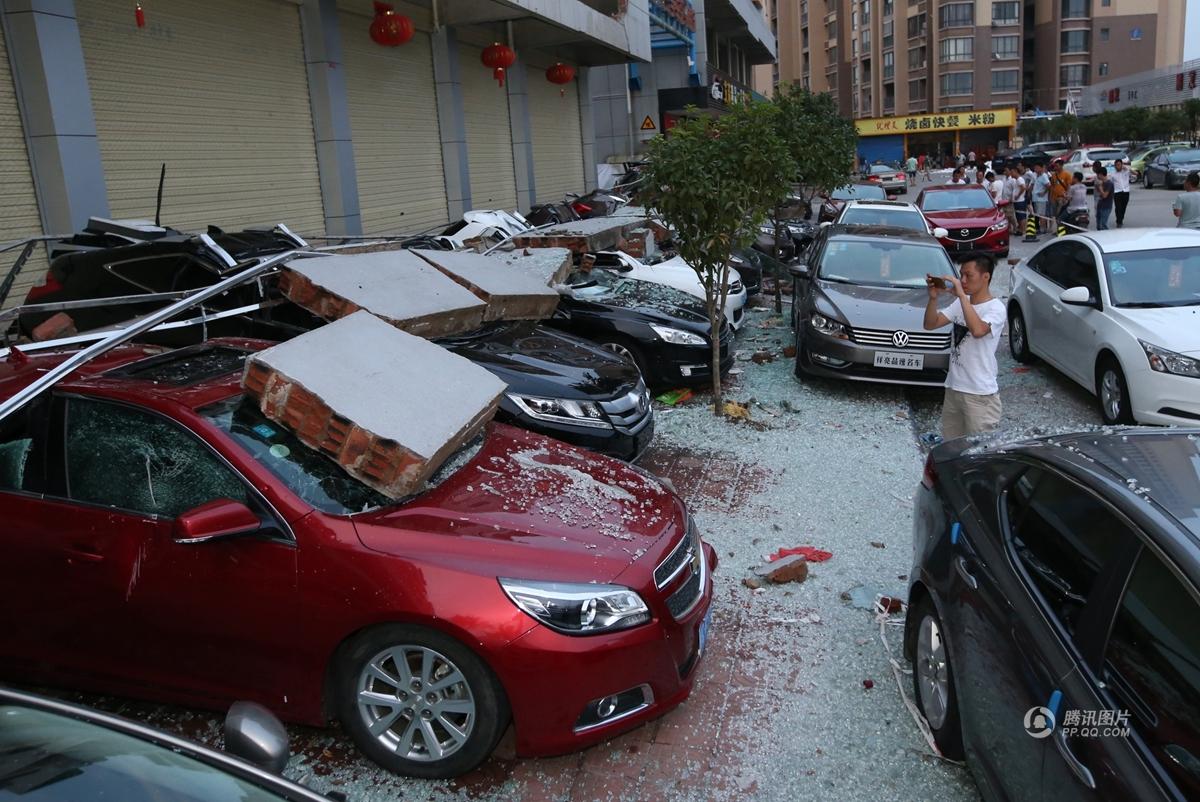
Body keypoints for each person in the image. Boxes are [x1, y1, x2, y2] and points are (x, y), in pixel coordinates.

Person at [923, 256, 1006, 440]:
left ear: (986, 277)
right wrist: (933, 299)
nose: (963, 281)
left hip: (980, 395)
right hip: (954, 388)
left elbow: (978, 330)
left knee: (979, 454)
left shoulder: (996, 308)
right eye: (961, 275)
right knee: (950, 449)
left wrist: (961, 296)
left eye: (969, 275)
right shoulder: (961, 303)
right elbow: (930, 324)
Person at [1030, 163, 1051, 233]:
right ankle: (1041, 228)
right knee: (1038, 214)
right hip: (1035, 198)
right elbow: (1032, 185)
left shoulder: (1044, 176)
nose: (1036, 169)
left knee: (1042, 214)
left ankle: (1043, 229)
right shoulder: (1035, 175)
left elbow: (1048, 185)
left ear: (1042, 168)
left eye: (1037, 167)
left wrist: (1044, 192)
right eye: (1035, 167)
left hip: (1041, 199)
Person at [1111, 158, 1131, 227]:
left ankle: (1121, 219)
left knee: (1123, 207)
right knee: (1118, 208)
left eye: (1119, 165)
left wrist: (1127, 169)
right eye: (1116, 165)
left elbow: (1136, 174)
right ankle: (1119, 221)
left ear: (1122, 165)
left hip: (1126, 192)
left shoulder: (1126, 171)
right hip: (1117, 192)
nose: (1117, 166)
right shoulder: (1113, 174)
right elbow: (1111, 183)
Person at [1094, 165, 1114, 230]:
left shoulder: (1109, 183)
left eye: (1098, 174)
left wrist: (1100, 187)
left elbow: (1105, 195)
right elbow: (1099, 193)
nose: (1097, 176)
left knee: (1103, 224)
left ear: (1101, 174)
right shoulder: (1101, 183)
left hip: (1106, 206)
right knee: (1098, 224)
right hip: (1100, 205)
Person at [1000, 166, 1021, 230]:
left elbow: (1014, 190)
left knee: (1010, 215)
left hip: (1009, 200)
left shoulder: (1013, 180)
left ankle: (1015, 226)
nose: (1005, 172)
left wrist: (1012, 198)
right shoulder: (1004, 178)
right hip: (1004, 200)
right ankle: (1009, 228)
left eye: (1006, 171)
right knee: (1006, 215)